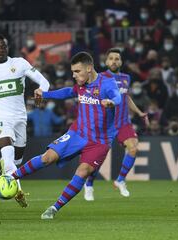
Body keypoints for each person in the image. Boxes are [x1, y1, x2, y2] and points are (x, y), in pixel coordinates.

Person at [10, 51, 121, 219]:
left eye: (77, 71)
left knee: (83, 171)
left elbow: (117, 96)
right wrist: (45, 94)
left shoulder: (107, 83)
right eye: (73, 72)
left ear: (89, 68)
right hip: (77, 133)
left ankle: (54, 208)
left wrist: (112, 102)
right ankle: (10, 178)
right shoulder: (80, 85)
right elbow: (67, 92)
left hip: (100, 141)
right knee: (48, 157)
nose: (74, 75)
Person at [0, 35, 50, 207]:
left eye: (3, 47)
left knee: (17, 160)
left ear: (8, 48)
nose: (1, 50)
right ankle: (16, 191)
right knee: (7, 152)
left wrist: (41, 90)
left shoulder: (19, 64)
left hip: (20, 117)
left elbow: (44, 81)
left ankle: (2, 177)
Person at [84, 48, 149, 201]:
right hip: (105, 124)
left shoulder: (126, 78)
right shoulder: (99, 78)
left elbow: (126, 97)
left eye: (117, 58)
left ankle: (120, 180)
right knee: (98, 158)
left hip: (123, 122)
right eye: (111, 58)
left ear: (121, 62)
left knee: (133, 148)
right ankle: (89, 184)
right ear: (106, 62)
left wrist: (139, 113)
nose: (114, 61)